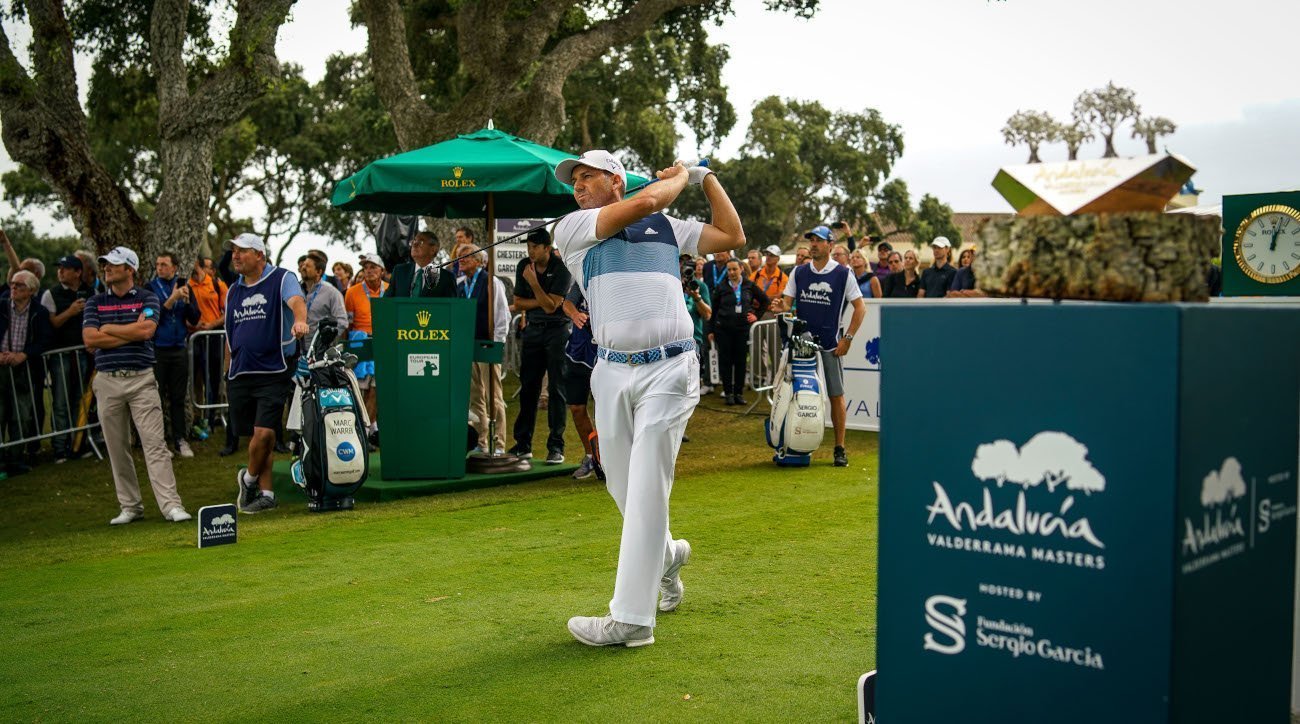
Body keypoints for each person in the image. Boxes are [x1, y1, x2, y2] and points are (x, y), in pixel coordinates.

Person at [552, 149, 744, 647]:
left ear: (615, 178)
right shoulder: (574, 227)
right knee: (621, 485)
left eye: (587, 177)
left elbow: (733, 236)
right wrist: (682, 174)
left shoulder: (667, 225)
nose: (577, 186)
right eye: (574, 180)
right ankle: (666, 555)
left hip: (672, 367)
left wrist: (707, 180)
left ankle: (632, 619)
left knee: (645, 488)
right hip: (612, 371)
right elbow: (643, 203)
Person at [81, 247, 190, 524]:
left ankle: (171, 506)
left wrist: (108, 330)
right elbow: (90, 340)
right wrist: (128, 332)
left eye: (113, 265)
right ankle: (130, 507)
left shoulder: (147, 297)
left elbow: (147, 331)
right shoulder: (94, 303)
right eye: (105, 264)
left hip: (141, 379)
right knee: (117, 447)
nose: (106, 268)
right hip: (107, 381)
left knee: (154, 445)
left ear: (130, 269)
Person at [226, 233, 308, 514]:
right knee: (260, 437)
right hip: (240, 372)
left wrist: (299, 321)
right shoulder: (233, 290)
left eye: (242, 251)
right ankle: (267, 494)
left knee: (264, 434)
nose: (235, 256)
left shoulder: (282, 278)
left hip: (273, 369)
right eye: (234, 251)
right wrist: (229, 368)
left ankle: (247, 478)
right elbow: (230, 332)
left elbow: (296, 301)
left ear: (259, 255)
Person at [779, 224, 867, 468]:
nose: (813, 244)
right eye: (811, 240)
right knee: (793, 391)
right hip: (802, 345)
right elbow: (787, 304)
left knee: (836, 396)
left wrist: (847, 339)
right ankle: (792, 443)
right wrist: (780, 307)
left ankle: (839, 448)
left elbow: (860, 308)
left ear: (830, 244)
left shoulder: (843, 273)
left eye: (818, 240)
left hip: (830, 344)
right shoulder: (799, 271)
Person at [510, 228, 571, 464]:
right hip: (533, 331)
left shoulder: (561, 267)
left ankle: (556, 447)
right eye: (528, 247)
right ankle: (522, 444)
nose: (531, 252)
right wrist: (541, 300)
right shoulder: (523, 265)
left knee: (556, 389)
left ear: (547, 247)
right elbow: (518, 302)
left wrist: (534, 284)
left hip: (557, 332)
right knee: (528, 388)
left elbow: (551, 307)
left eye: (535, 247)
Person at [456, 244, 510, 456]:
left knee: (494, 397)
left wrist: (497, 345)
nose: (461, 260)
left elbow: (502, 316)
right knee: (475, 397)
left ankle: (499, 444)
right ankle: (482, 442)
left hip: (487, 346)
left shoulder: (491, 282)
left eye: (466, 257)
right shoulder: (461, 284)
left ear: (479, 261)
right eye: (460, 257)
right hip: (468, 348)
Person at [40, 255, 93, 463]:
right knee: (60, 401)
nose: (60, 271)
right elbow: (51, 324)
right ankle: (59, 447)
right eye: (59, 268)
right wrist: (70, 312)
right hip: (60, 354)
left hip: (82, 354)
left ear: (77, 272)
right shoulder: (50, 294)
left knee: (79, 399)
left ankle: (77, 444)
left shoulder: (90, 292)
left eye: (65, 268)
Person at [148, 252, 200, 458]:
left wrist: (186, 302)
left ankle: (180, 440)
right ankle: (159, 443)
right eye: (157, 264)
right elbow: (151, 317)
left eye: (164, 264)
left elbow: (195, 319)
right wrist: (171, 300)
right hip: (158, 349)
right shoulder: (150, 289)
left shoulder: (184, 286)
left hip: (179, 349)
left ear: (175, 267)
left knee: (178, 398)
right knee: (156, 398)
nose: (160, 268)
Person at [0, 269, 49, 473]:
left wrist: (25, 354)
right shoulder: (1, 305)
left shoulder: (40, 311)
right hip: (1, 367)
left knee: (22, 415)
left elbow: (45, 340)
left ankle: (15, 458)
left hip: (26, 368)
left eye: (19, 285)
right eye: (12, 284)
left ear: (31, 290)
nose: (13, 288)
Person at [708, 258, 768, 405]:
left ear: (741, 268)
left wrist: (756, 315)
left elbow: (765, 301)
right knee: (726, 361)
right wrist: (711, 330)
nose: (732, 272)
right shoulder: (721, 287)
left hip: (742, 330)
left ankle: (739, 393)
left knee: (740, 361)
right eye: (729, 270)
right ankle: (728, 393)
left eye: (734, 269)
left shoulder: (749, 285)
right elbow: (713, 310)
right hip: (723, 329)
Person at [344, 254, 387, 443]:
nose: (368, 270)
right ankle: (360, 427)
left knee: (377, 388)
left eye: (373, 267)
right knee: (360, 388)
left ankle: (370, 427)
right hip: (360, 342)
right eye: (365, 267)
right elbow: (347, 324)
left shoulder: (390, 289)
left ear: (382, 271)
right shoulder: (352, 292)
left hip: (383, 342)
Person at [561, 282, 601, 479]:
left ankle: (609, 461)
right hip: (578, 352)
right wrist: (575, 314)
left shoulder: (614, 277)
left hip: (605, 354)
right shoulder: (582, 278)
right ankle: (591, 456)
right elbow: (567, 303)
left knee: (606, 413)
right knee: (577, 408)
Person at [188, 257, 228, 446]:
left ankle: (212, 419)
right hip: (193, 339)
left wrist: (211, 325)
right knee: (195, 380)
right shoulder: (186, 284)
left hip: (214, 337)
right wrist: (193, 326)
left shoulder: (216, 284)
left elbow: (228, 311)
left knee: (213, 379)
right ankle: (197, 419)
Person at [385, 231, 456, 298]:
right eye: (414, 241)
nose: (414, 244)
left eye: (421, 242)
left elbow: (451, 308)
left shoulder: (446, 278)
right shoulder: (399, 271)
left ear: (433, 250)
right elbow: (386, 301)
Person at [298, 254, 348, 342]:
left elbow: (342, 322)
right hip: (297, 349)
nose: (303, 268)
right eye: (303, 265)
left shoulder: (332, 292)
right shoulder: (295, 290)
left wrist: (326, 340)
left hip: (320, 350)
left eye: (308, 266)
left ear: (319, 272)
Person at [751, 245, 788, 312]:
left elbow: (778, 297)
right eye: (767, 254)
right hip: (755, 311)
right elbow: (749, 294)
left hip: (772, 312)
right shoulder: (756, 274)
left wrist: (759, 299)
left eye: (772, 255)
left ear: (778, 259)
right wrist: (770, 298)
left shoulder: (783, 278)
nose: (768, 257)